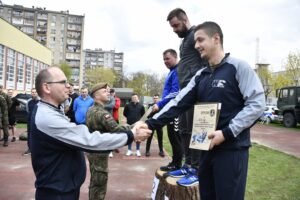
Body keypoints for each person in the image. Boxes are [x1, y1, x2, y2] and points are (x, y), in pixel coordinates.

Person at [146, 22, 265, 198]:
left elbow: (257, 104)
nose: (196, 46)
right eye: (195, 41)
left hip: (231, 150)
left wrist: (226, 133)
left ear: (216, 38)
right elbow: (178, 102)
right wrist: (151, 123)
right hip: (205, 150)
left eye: (200, 40)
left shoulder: (238, 67)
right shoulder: (201, 75)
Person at [30, 67, 151, 200]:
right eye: (63, 82)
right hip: (57, 192)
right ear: (47, 87)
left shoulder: (49, 109)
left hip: (62, 187)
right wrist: (131, 134)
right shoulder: (48, 117)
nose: (68, 86)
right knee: (98, 185)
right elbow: (90, 139)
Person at [164, 8, 205, 185]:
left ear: (185, 19)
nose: (174, 30)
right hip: (184, 94)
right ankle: (188, 165)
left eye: (176, 25)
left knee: (197, 132)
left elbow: (205, 61)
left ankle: (196, 169)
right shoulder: (183, 42)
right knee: (184, 131)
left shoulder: (197, 34)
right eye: (172, 27)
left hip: (196, 93)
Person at [86, 83, 137, 200]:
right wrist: (135, 126)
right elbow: (116, 129)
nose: (108, 93)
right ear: (96, 96)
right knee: (99, 185)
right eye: (104, 91)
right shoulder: (102, 113)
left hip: (93, 151)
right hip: (100, 153)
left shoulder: (91, 110)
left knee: (95, 182)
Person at [151, 49, 182, 169]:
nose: (165, 61)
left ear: (175, 57)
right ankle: (175, 162)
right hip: (170, 109)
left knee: (176, 137)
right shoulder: (171, 72)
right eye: (164, 59)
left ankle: (177, 165)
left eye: (168, 58)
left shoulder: (177, 71)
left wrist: (160, 103)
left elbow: (175, 93)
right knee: (171, 137)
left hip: (176, 110)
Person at [24, 88, 39, 155]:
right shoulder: (29, 101)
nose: (34, 93)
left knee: (38, 135)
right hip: (30, 120)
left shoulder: (40, 101)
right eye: (32, 92)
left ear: (37, 93)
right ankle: (30, 149)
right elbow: (27, 110)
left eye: (35, 92)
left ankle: (38, 149)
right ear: (31, 93)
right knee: (30, 134)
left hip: (38, 121)